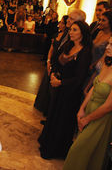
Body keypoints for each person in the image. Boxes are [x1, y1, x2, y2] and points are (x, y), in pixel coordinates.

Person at [38, 20, 92, 159]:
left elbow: (79, 78)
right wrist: (54, 74)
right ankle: (47, 142)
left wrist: (61, 82)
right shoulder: (68, 45)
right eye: (71, 29)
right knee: (53, 115)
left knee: (62, 121)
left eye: (74, 30)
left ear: (82, 33)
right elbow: (56, 60)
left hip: (69, 92)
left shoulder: (85, 52)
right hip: (58, 87)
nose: (71, 32)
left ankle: (55, 150)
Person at [63, 36, 112, 170]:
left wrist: (87, 119)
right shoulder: (107, 63)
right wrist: (81, 109)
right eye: (108, 44)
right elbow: (94, 88)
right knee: (83, 153)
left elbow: (109, 106)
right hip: (88, 111)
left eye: (111, 45)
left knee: (78, 151)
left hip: (100, 118)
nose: (107, 47)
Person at [34, 15, 69, 116]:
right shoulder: (57, 34)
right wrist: (48, 61)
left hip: (56, 64)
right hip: (51, 62)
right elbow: (51, 48)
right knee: (45, 84)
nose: (59, 25)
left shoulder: (66, 37)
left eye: (62, 23)